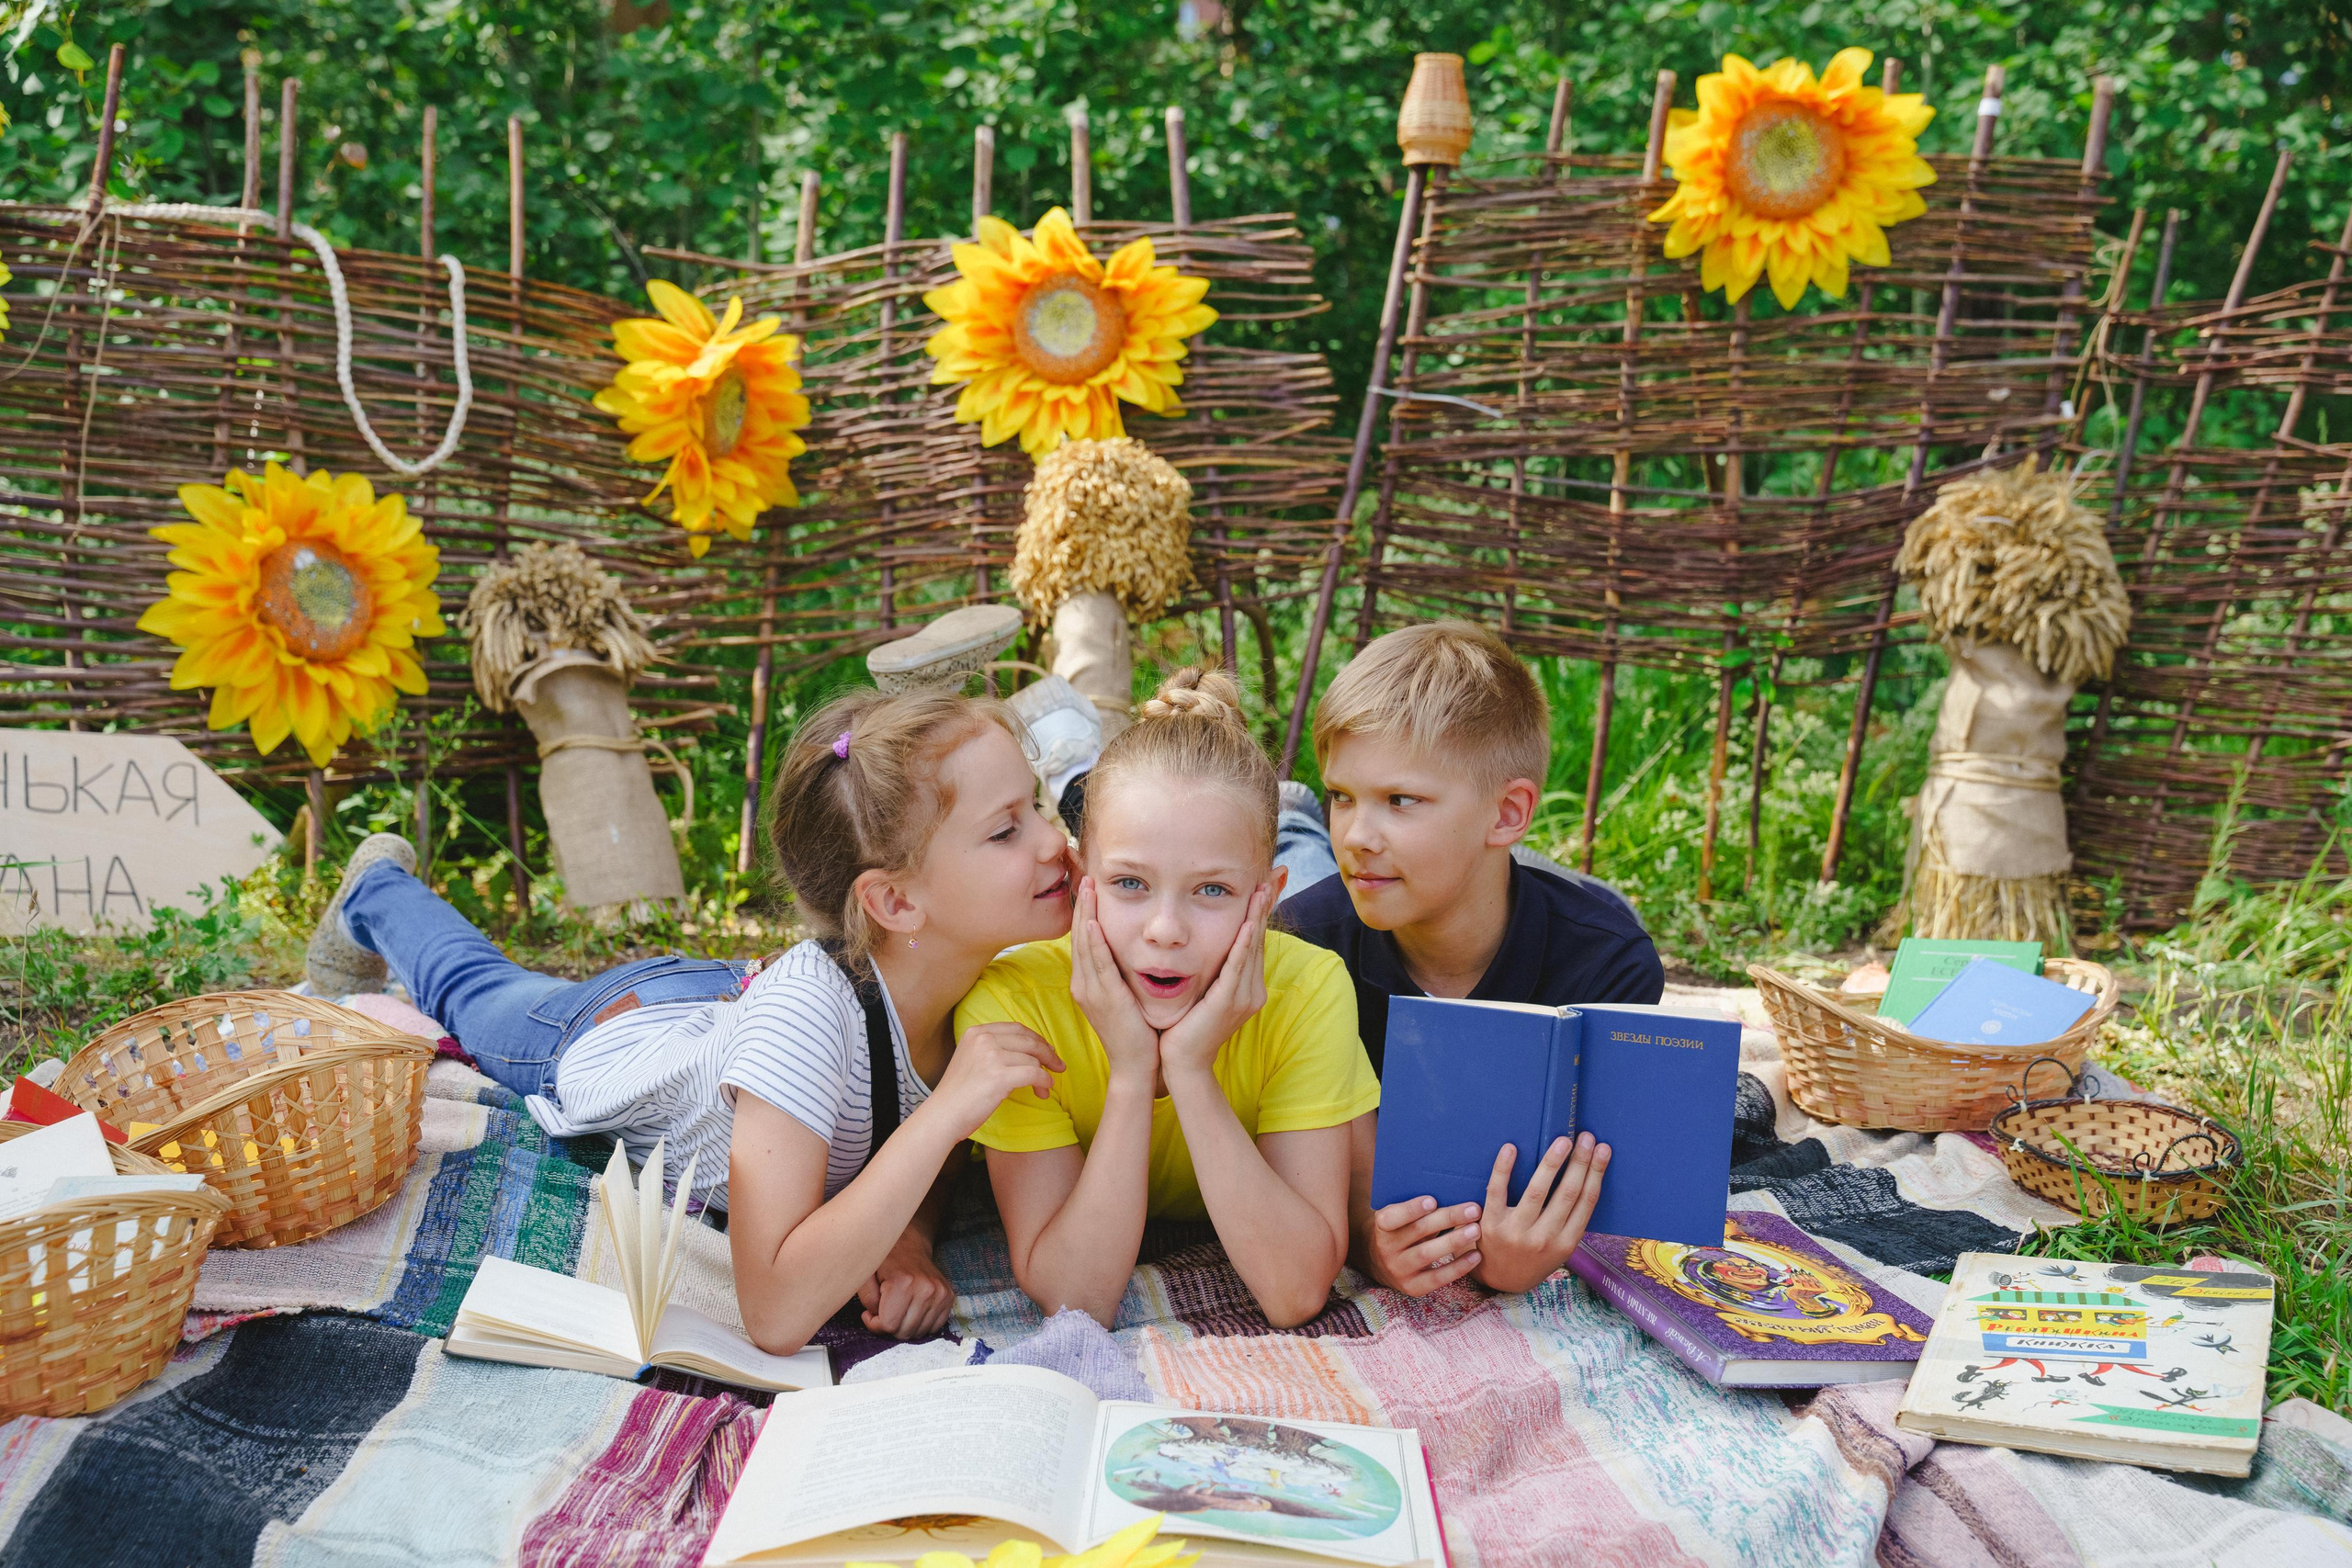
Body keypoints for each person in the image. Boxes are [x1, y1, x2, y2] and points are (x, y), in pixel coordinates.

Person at [303, 688, 1076, 1354]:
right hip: (609, 1032)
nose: (1055, 840)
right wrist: (947, 1114)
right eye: (1008, 829)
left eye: (1038, 805)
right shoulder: (808, 1020)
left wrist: (909, 1236)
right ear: (897, 903)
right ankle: (375, 889)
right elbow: (773, 1311)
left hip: (728, 1000)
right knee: (477, 992)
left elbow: (912, 1119)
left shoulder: (975, 980)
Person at [957, 669, 1381, 1329]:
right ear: (1080, 877)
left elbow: (1296, 1290)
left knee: (1300, 834)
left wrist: (1188, 1066)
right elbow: (1077, 1298)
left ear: (1264, 899)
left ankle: (1288, 814)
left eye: (1211, 890)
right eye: (1129, 882)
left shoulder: (1308, 987)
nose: (1165, 930)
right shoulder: (1014, 1003)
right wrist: (1131, 1074)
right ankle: (1077, 771)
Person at [1278, 621, 1666, 1302]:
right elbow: (1304, 1168)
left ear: (1508, 811)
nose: (1360, 833)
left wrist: (1517, 1263)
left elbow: (1600, 1186)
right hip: (1355, 897)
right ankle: (1297, 810)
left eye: (1400, 799)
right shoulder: (1301, 944)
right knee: (1296, 853)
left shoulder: (1609, 964)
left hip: (1526, 890)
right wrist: (1374, 1249)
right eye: (1343, 794)